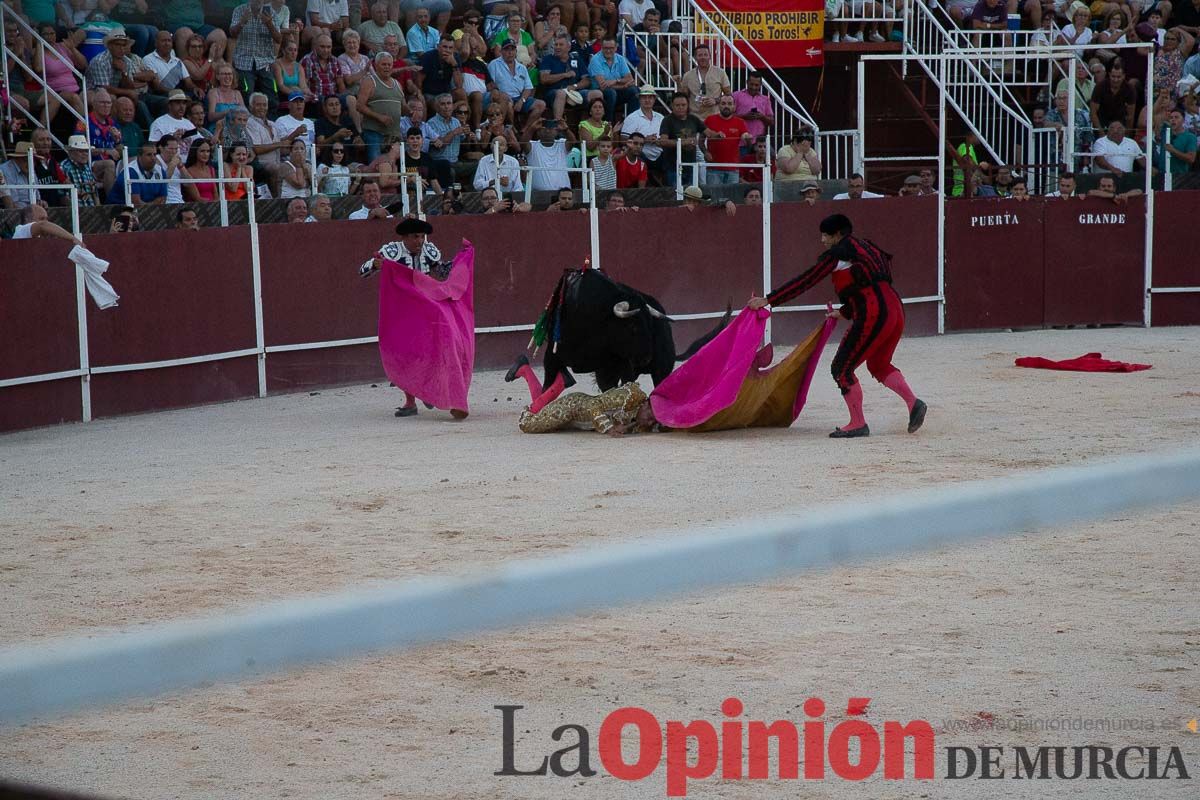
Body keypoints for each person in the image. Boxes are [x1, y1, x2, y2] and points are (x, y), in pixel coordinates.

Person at [749, 214, 927, 439]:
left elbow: (807, 280)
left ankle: (858, 422)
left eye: (827, 235)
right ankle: (914, 403)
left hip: (874, 311)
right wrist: (844, 312)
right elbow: (869, 282)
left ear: (839, 235)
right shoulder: (867, 249)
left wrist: (770, 299)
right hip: (895, 309)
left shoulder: (839, 254)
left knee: (841, 367)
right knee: (879, 364)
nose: (823, 240)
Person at [360, 217, 471, 419]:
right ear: (404, 238)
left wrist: (460, 262)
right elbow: (363, 271)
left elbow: (442, 272)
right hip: (402, 311)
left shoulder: (429, 250)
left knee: (430, 350)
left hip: (426, 309)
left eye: (422, 236)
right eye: (415, 237)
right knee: (406, 353)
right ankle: (411, 402)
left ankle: (426, 389)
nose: (420, 241)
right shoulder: (391, 252)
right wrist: (375, 265)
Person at [703, 93, 751, 186]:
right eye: (723, 103)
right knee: (714, 198)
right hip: (713, 168)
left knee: (732, 197)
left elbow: (748, 144)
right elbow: (700, 140)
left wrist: (748, 139)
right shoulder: (709, 120)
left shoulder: (740, 122)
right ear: (719, 105)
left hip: (733, 169)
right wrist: (705, 152)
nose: (726, 106)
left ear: (734, 106)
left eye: (729, 104)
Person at [10, 203, 84, 245]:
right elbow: (43, 225)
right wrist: (72, 238)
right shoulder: (21, 230)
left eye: (46, 219)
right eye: (42, 218)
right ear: (27, 219)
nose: (46, 222)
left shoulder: (39, 236)